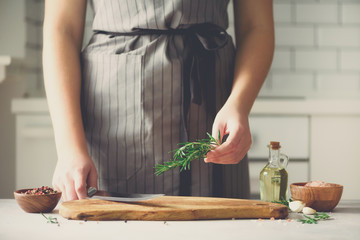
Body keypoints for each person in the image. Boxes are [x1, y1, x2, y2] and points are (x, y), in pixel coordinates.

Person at [43, 0, 274, 201]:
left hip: (214, 107)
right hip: (114, 116)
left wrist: (239, 104)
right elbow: (62, 29)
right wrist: (69, 148)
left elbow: (258, 26)